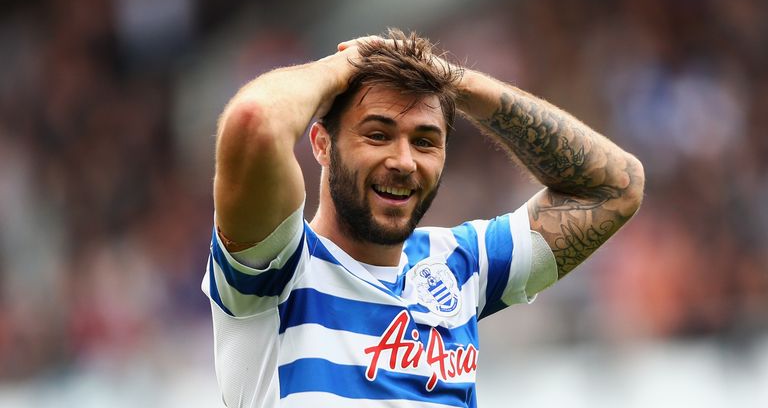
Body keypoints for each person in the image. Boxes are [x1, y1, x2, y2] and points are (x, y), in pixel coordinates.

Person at [202, 29, 644, 407]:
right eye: (378, 134)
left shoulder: (460, 266)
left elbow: (614, 188)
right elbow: (255, 121)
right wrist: (346, 65)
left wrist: (456, 83)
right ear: (321, 144)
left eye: (426, 141)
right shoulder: (277, 268)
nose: (404, 161)